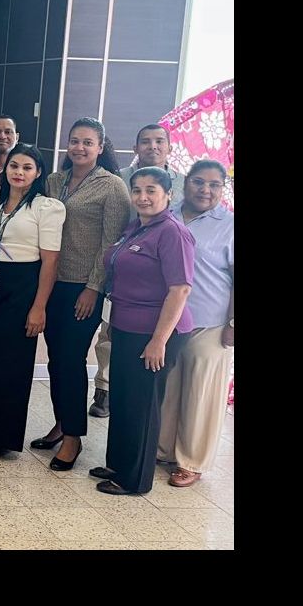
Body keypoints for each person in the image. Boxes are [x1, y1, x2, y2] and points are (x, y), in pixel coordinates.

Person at [28, 118, 129, 470]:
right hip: (51, 281)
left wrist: (93, 287)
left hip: (83, 287)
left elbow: (111, 243)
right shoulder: (54, 180)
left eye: (88, 142)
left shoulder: (112, 186)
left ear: (100, 147)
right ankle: (61, 423)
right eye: (74, 141)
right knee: (56, 360)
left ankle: (73, 437)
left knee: (71, 360)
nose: (80, 147)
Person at [91, 167, 194, 496]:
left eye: (151, 190)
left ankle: (134, 479)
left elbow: (180, 290)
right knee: (123, 398)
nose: (143, 197)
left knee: (142, 405)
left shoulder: (172, 232)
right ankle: (119, 464)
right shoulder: (137, 227)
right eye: (137, 190)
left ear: (169, 195)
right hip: (126, 326)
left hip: (155, 333)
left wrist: (158, 341)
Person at [0, 145, 64, 461]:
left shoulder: (47, 207)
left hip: (23, 286)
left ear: (38, 172)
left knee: (6, 363)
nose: (19, 172)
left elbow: (50, 261)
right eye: (14, 165)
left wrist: (39, 306)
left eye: (27, 167)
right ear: (5, 169)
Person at [90, 122, 188, 418]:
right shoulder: (119, 183)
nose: (152, 146)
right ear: (135, 148)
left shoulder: (182, 190)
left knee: (143, 396)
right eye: (145, 141)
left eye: (159, 141)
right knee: (110, 341)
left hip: (161, 288)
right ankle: (104, 389)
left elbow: (179, 287)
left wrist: (159, 339)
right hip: (121, 278)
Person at [157, 160, 234, 488]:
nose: (205, 190)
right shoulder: (167, 213)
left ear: (223, 189)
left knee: (201, 395)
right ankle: (162, 450)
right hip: (167, 322)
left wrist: (233, 323)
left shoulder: (229, 225)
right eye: (199, 182)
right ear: (185, 181)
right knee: (168, 390)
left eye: (214, 185)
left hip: (210, 323)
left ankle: (191, 461)